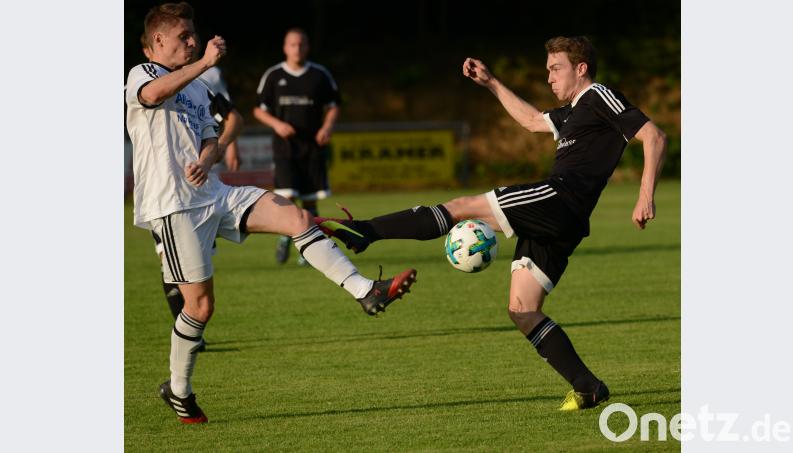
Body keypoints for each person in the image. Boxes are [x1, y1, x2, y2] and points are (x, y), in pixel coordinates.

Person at [317, 36, 667, 411]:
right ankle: (588, 386)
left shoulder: (599, 95)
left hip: (559, 199)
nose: (549, 77)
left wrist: (645, 194)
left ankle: (365, 232)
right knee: (522, 309)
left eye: (556, 68)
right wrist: (492, 83)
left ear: (581, 69)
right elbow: (532, 121)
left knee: (462, 206)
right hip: (563, 221)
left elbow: (653, 135)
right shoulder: (572, 112)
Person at [126, 2, 418, 424]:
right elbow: (152, 96)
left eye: (194, 35)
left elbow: (216, 132)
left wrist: (209, 160)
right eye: (183, 37)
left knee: (294, 217)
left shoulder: (195, 87)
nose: (192, 41)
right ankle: (178, 389)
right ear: (157, 41)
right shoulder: (143, 74)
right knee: (201, 307)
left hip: (214, 192)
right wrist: (206, 61)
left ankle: (365, 291)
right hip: (173, 206)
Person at [140, 31, 243, 346]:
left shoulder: (202, 82)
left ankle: (190, 330)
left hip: (202, 188)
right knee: (169, 260)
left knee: (197, 265)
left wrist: (219, 148)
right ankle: (190, 336)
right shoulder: (142, 80)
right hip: (166, 194)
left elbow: (233, 117)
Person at [253, 28, 340, 266]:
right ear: (285, 47)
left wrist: (327, 127)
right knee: (288, 197)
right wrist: (277, 124)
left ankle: (307, 247)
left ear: (307, 47)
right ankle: (285, 237)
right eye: (293, 45)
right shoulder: (273, 75)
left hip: (312, 148)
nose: (297, 49)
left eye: (301, 44)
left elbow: (333, 105)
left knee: (310, 201)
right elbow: (259, 109)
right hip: (285, 149)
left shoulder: (320, 75)